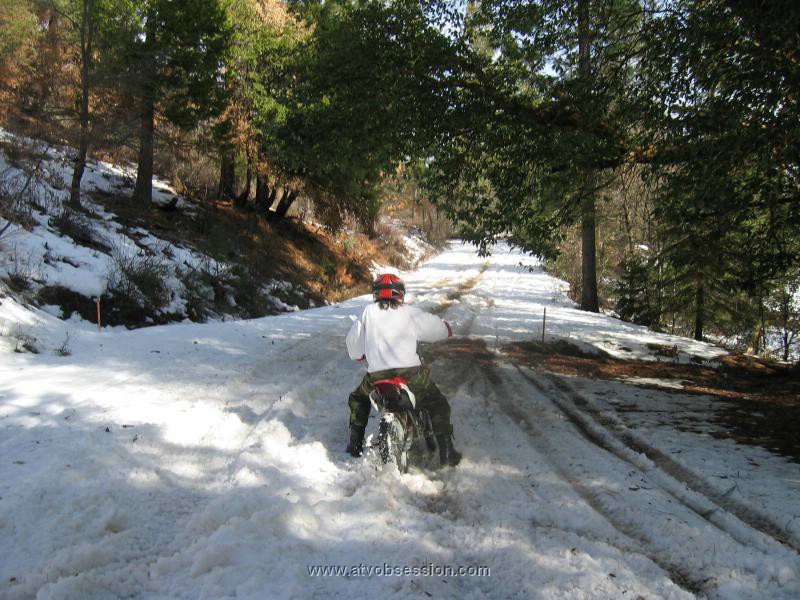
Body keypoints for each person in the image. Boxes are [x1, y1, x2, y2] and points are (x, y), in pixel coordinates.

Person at [345, 273, 462, 467]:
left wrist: (360, 355)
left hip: (377, 377)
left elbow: (353, 344)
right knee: (437, 403)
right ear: (400, 293)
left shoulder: (367, 312)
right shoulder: (409, 312)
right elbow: (434, 328)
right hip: (411, 375)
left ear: (376, 294)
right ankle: (447, 452)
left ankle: (355, 443)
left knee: (358, 398)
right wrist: (446, 329)